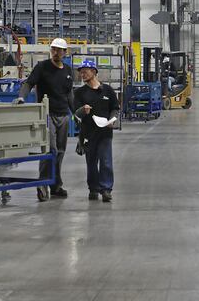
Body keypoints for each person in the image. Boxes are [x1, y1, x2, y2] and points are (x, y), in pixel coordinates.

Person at [15, 38, 74, 198]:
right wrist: (22, 97)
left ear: (64, 52)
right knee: (50, 150)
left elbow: (69, 94)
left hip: (63, 115)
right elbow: (28, 83)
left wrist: (76, 112)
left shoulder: (68, 70)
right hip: (47, 114)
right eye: (53, 49)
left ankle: (55, 185)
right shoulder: (42, 67)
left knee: (60, 151)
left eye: (59, 50)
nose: (55, 52)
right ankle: (42, 185)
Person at [73, 60, 120, 202]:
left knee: (106, 161)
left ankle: (106, 189)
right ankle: (93, 188)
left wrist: (112, 119)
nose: (82, 74)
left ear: (94, 71)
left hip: (105, 132)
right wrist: (83, 110)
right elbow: (75, 113)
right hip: (88, 133)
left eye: (85, 70)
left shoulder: (107, 90)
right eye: (81, 71)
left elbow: (115, 108)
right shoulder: (79, 93)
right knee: (91, 162)